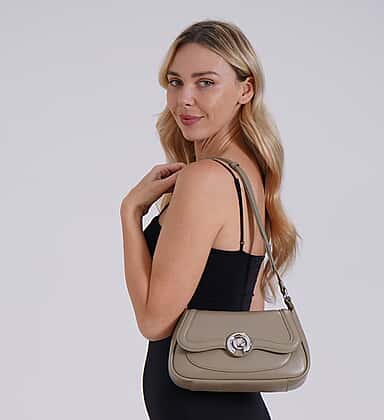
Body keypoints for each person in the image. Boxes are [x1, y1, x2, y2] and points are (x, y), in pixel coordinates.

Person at [120, 18, 300, 420]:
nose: (185, 99)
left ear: (245, 90)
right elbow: (247, 307)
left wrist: (130, 214)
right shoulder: (248, 174)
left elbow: (153, 322)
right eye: (175, 82)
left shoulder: (205, 179)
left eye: (205, 83)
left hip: (200, 405)